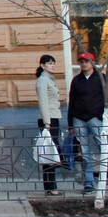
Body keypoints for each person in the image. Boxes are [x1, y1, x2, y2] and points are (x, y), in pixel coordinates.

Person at [67, 51, 108, 195]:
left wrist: (103, 117)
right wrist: (71, 124)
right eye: (81, 61)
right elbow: (71, 103)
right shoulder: (76, 81)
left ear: (92, 63)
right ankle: (89, 183)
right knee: (85, 153)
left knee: (106, 150)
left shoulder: (102, 78)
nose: (84, 64)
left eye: (86, 61)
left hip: (96, 119)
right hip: (79, 119)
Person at [35, 53, 63, 195]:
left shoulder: (49, 79)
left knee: (49, 153)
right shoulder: (43, 80)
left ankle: (50, 187)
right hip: (49, 119)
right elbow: (43, 103)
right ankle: (51, 187)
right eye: (49, 63)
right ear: (42, 66)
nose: (52, 66)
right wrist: (47, 122)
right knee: (50, 153)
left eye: (53, 63)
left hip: (52, 118)